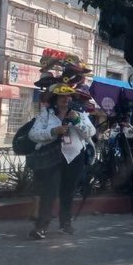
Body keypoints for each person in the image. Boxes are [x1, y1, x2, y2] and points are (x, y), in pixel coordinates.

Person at [28, 84, 95, 239]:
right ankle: (41, 226)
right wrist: (52, 131)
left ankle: (65, 224)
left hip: (74, 157)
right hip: (52, 157)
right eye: (62, 97)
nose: (66, 99)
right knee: (49, 191)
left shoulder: (80, 113)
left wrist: (77, 121)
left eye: (69, 96)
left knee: (68, 192)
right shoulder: (46, 115)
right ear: (55, 99)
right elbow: (33, 134)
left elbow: (90, 132)